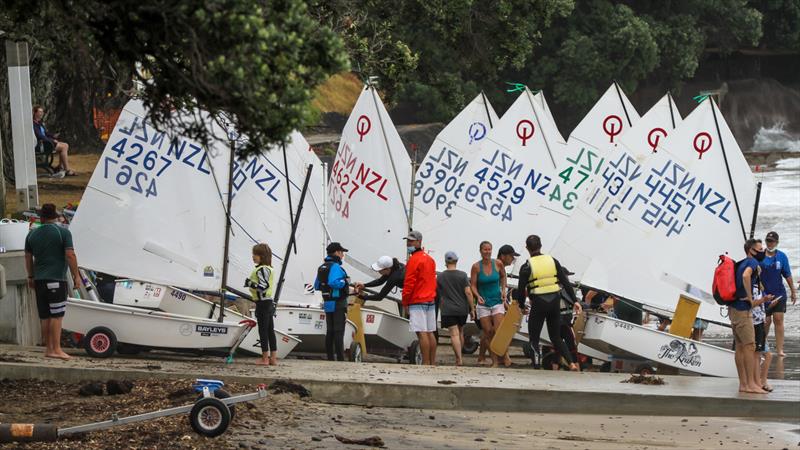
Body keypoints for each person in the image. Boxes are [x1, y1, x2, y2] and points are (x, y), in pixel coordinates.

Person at [514, 235, 581, 371]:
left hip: (539, 302)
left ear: (527, 248)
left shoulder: (526, 266)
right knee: (556, 337)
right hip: (554, 302)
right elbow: (565, 282)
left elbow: (521, 291)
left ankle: (537, 366)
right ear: (541, 246)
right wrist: (575, 301)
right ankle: (571, 363)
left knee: (534, 338)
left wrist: (521, 306)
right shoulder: (553, 261)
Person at [24, 204, 81, 360]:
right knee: (57, 316)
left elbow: (28, 258)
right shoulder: (63, 232)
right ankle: (56, 349)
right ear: (56, 217)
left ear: (41, 217)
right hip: (55, 279)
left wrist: (30, 277)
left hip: (39, 280)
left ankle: (48, 349)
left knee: (45, 316)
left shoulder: (31, 235)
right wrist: (76, 276)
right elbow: (70, 255)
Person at [731, 238, 771, 394]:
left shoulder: (741, 263)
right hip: (743, 311)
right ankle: (751, 385)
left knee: (740, 347)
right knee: (750, 347)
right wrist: (750, 297)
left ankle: (743, 384)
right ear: (751, 251)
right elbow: (746, 277)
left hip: (734, 309)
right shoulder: (752, 263)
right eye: (760, 250)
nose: (763, 252)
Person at [470, 241, 508, 367]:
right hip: (483, 303)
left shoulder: (498, 263)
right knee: (488, 332)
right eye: (485, 250)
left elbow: (503, 276)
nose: (487, 252)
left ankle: (504, 354)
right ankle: (494, 361)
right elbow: (473, 285)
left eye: (489, 249)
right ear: (480, 251)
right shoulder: (476, 267)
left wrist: (503, 290)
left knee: (499, 330)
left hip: (497, 301)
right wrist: (477, 296)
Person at [402, 230, 437, 365]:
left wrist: (405, 302)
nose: (409, 243)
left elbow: (409, 283)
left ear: (419, 242)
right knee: (430, 332)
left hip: (417, 299)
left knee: (422, 333)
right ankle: (432, 362)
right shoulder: (430, 259)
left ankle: (426, 363)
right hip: (430, 299)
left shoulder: (413, 260)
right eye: (408, 241)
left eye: (411, 241)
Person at [314, 242, 352, 361]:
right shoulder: (336, 267)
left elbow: (317, 285)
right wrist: (345, 282)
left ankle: (330, 357)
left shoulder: (322, 267)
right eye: (342, 253)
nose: (343, 256)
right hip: (339, 303)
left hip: (328, 303)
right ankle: (340, 359)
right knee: (339, 331)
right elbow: (333, 282)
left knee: (330, 330)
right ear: (337, 252)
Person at [761, 231, 796, 357]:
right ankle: (762, 345)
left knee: (778, 319)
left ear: (777, 242)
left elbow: (787, 275)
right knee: (766, 321)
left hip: (779, 293)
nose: (770, 243)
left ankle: (780, 349)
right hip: (763, 294)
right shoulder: (760, 256)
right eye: (768, 241)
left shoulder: (782, 256)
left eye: (772, 241)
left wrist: (793, 291)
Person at [436, 251, 474, 366]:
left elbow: (438, 293)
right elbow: (468, 292)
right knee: (460, 332)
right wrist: (472, 309)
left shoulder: (440, 276)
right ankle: (460, 356)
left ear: (445, 262)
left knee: (454, 334)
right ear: (456, 261)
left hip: (448, 309)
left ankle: (459, 359)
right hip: (462, 309)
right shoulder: (463, 275)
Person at [245, 243, 277, 366]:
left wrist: (250, 284)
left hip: (263, 303)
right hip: (268, 302)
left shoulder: (262, 269)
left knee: (263, 330)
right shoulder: (269, 268)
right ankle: (273, 359)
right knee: (270, 331)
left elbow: (263, 287)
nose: (253, 256)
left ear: (262, 256)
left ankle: (265, 359)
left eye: (256, 254)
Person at [32, 105, 75, 177]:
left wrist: (53, 136)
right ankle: (67, 170)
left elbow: (45, 133)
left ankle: (60, 167)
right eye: (39, 112)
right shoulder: (34, 124)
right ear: (35, 113)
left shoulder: (39, 123)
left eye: (42, 112)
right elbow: (40, 136)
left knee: (65, 145)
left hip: (47, 142)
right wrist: (52, 140)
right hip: (43, 144)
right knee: (64, 147)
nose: (41, 114)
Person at [751, 283, 773, 392]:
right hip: (755, 324)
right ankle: (760, 382)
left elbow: (760, 306)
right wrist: (764, 299)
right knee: (761, 355)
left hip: (758, 323)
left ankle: (760, 381)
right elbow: (751, 304)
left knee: (760, 355)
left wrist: (768, 302)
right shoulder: (753, 287)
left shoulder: (757, 287)